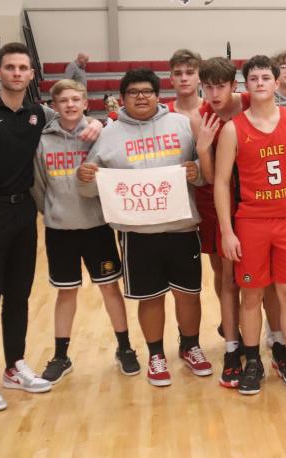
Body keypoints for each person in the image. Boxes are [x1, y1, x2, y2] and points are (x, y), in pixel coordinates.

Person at [0, 42, 100, 412]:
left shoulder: (37, 113)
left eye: (23, 68)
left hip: (23, 214)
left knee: (19, 295)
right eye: (10, 67)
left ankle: (14, 366)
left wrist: (94, 122)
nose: (16, 73)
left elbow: (71, 116)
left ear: (31, 75)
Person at [77, 68, 210, 387]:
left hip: (181, 229)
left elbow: (204, 173)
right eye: (133, 92)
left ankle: (190, 346)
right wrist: (83, 179)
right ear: (121, 98)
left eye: (147, 91)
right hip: (137, 235)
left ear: (157, 95)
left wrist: (197, 172)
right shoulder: (108, 134)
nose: (141, 96)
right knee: (150, 298)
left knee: (188, 295)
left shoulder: (181, 125)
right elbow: (91, 187)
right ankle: (155, 353)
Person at [213, 56, 286, 397]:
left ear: (276, 83)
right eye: (253, 78)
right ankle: (253, 361)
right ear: (247, 85)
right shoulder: (233, 128)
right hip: (251, 222)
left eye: (265, 77)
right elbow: (221, 182)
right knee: (251, 296)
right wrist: (227, 231)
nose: (260, 82)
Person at [30, 79, 137, 383]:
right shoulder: (43, 140)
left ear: (86, 103)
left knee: (109, 288)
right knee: (66, 292)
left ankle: (125, 348)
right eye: (63, 100)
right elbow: (39, 186)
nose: (70, 105)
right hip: (60, 229)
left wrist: (102, 125)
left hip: (96, 228)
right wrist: (51, 211)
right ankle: (61, 356)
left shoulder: (98, 135)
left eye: (76, 99)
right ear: (54, 106)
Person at [194, 57, 245, 388]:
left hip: (255, 199)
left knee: (255, 278)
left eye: (219, 86)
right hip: (220, 201)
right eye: (208, 87)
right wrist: (202, 150)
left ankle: (267, 332)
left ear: (233, 87)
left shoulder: (252, 104)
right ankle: (233, 334)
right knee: (224, 273)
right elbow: (213, 179)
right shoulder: (202, 117)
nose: (213, 93)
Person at [168, 48, 204, 124]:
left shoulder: (213, 109)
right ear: (171, 79)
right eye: (178, 74)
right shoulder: (164, 113)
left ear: (200, 77)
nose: (183, 78)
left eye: (190, 73)